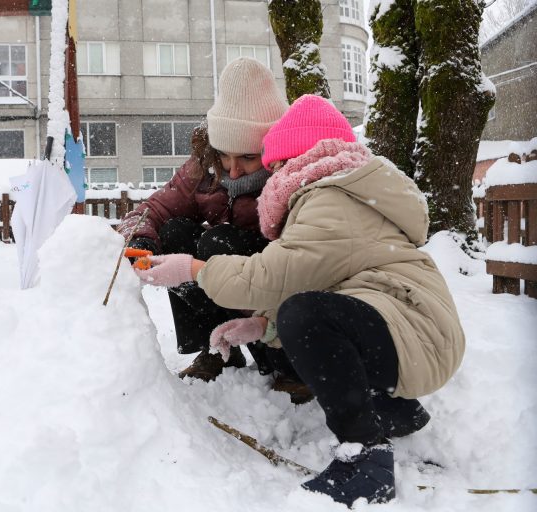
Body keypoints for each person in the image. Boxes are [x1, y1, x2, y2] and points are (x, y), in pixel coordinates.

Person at [134, 94, 465, 507]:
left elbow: (275, 276)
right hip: (411, 327)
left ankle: (364, 459)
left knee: (304, 315)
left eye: (272, 165)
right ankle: (393, 408)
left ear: (296, 160)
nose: (270, 178)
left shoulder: (329, 200)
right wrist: (261, 326)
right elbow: (321, 278)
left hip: (415, 334)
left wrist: (194, 270)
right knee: (303, 311)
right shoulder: (341, 190)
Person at [119, 57, 290, 382]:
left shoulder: (292, 175)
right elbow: (152, 210)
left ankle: (282, 361)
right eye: (224, 154)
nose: (233, 169)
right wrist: (139, 238)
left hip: (273, 288)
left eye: (248, 157)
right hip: (221, 280)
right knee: (175, 231)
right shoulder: (204, 168)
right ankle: (214, 349)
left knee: (218, 242)